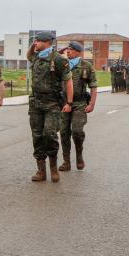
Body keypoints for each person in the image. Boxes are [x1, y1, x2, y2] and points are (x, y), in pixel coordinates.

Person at [27, 31, 73, 182]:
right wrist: (32, 46)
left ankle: (53, 168)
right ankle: (41, 171)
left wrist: (69, 102)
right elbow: (28, 56)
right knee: (37, 136)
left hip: (52, 103)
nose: (35, 44)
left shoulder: (59, 60)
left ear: (46, 42)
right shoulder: (36, 57)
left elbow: (68, 81)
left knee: (49, 134)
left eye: (37, 41)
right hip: (36, 103)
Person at [58, 41, 97, 172]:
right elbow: (52, 57)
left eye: (71, 49)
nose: (68, 51)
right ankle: (66, 162)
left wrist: (91, 103)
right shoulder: (63, 64)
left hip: (80, 103)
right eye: (67, 49)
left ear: (78, 52)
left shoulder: (86, 65)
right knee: (63, 132)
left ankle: (79, 155)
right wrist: (60, 50)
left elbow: (93, 86)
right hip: (64, 103)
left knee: (77, 131)